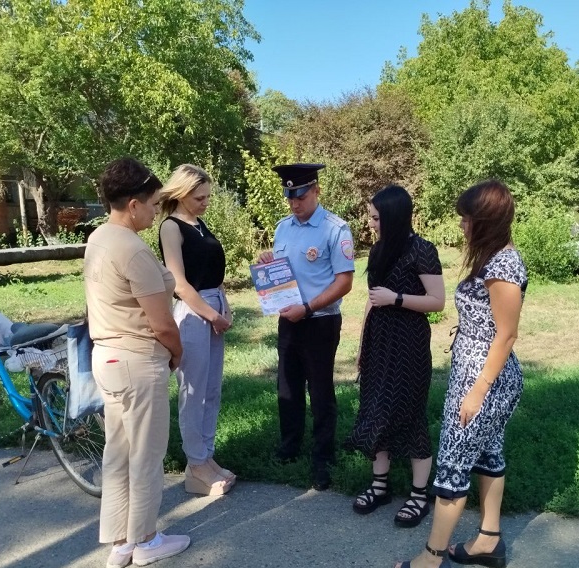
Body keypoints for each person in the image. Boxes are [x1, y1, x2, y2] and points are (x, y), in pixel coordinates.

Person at [394, 180, 528, 568]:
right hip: (478, 377)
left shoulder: (503, 267)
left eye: (468, 219)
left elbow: (506, 335)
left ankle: (432, 561)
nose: (463, 226)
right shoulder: (493, 259)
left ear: (485, 221)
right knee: (488, 456)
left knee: (453, 466)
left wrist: (477, 391)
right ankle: (488, 539)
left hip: (484, 382)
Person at [84, 157, 190, 568]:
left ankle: (120, 541)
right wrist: (177, 354)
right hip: (136, 359)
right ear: (132, 204)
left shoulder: (99, 238)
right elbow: (162, 323)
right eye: (151, 203)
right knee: (146, 453)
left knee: (119, 451)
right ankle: (146, 539)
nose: (154, 210)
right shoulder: (133, 250)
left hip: (107, 358)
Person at [345, 185, 445, 527]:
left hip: (409, 344)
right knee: (376, 409)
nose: (370, 224)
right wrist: (361, 346)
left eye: (375, 217)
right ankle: (380, 485)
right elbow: (373, 302)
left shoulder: (423, 250)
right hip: (379, 341)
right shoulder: (378, 252)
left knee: (409, 413)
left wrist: (397, 298)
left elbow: (437, 301)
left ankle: (419, 495)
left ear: (393, 216)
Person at [256, 163, 355, 491]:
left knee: (321, 390)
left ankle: (323, 456)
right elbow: (285, 272)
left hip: (320, 321)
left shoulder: (335, 229)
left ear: (316, 191)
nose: (294, 203)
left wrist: (309, 307)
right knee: (288, 386)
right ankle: (290, 446)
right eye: (289, 196)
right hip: (289, 320)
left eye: (300, 195)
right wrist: (270, 267)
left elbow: (344, 282)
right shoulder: (283, 227)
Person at [158, 164, 235, 497]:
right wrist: (212, 315)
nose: (205, 202)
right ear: (182, 193)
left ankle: (206, 456)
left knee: (212, 388)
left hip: (214, 305)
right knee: (193, 390)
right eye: (199, 197)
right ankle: (196, 462)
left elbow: (213, 273)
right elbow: (179, 284)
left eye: (207, 196)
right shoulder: (171, 227)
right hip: (193, 312)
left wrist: (225, 304)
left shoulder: (199, 223)